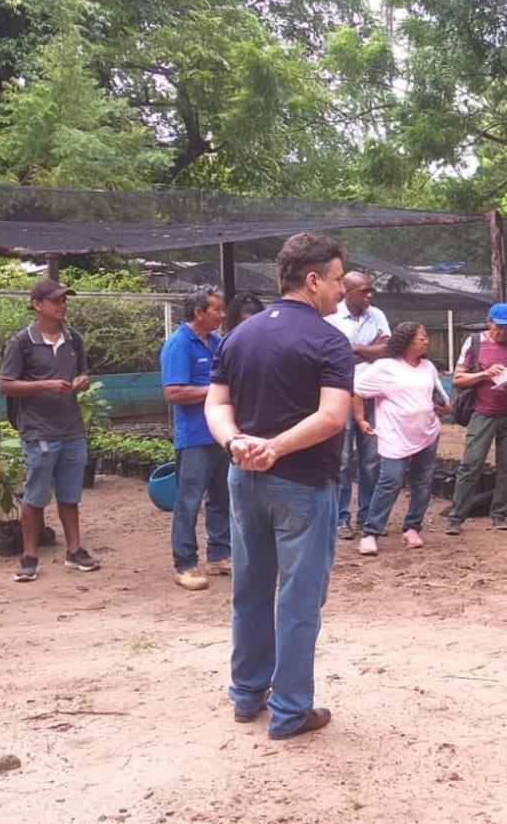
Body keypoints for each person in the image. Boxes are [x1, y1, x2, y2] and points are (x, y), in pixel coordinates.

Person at [205, 232, 352, 740]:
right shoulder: (329, 341)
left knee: (249, 589)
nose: (341, 290)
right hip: (302, 486)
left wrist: (236, 444)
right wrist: (276, 448)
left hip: (243, 481)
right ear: (313, 280)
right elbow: (333, 417)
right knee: (298, 599)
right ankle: (290, 711)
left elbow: (217, 406)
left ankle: (247, 695)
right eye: (336, 280)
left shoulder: (237, 336)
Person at [0, 278, 99, 583]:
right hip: (38, 431)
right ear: (36, 304)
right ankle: (29, 556)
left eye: (64, 300)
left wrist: (82, 381)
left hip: (72, 429)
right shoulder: (22, 343)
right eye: (55, 300)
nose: (61, 305)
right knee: (35, 496)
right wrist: (44, 385)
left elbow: (83, 372)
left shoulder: (74, 340)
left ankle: (74, 550)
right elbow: (5, 385)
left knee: (70, 494)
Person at [353, 321, 450, 554]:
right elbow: (357, 390)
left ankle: (412, 528)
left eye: (426, 337)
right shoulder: (385, 367)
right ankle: (371, 532)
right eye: (421, 338)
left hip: (426, 432)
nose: (426, 342)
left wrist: (444, 409)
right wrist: (360, 419)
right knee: (390, 480)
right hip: (395, 435)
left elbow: (443, 400)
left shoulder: (428, 367)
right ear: (406, 342)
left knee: (423, 481)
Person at [443, 303, 507, 535]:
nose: (503, 332)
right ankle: (456, 517)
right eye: (499, 327)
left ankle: (499, 514)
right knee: (470, 464)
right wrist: (485, 374)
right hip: (483, 412)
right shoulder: (474, 343)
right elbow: (458, 378)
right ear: (489, 322)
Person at [160, 286, 230, 591]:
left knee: (222, 498)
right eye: (216, 309)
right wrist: (215, 391)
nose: (222, 314)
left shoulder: (216, 342)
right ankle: (185, 565)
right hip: (195, 438)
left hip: (221, 433)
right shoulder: (178, 344)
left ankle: (219, 556)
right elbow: (173, 392)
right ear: (198, 312)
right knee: (188, 501)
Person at [325, 272, 390, 541]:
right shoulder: (330, 317)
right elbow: (334, 357)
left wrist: (353, 348)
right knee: (340, 460)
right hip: (341, 395)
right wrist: (369, 349)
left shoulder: (377, 315)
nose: (370, 295)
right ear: (347, 291)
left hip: (372, 396)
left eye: (371, 290)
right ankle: (341, 518)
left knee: (371, 459)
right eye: (364, 291)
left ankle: (367, 516)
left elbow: (387, 349)